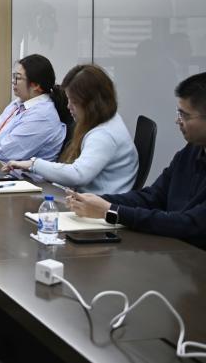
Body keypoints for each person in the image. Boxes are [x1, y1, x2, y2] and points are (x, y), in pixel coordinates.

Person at [68, 72, 206, 249]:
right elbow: (152, 197)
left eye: (185, 116)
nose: (177, 121)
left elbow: (189, 224)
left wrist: (111, 211)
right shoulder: (190, 152)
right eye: (178, 113)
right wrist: (97, 201)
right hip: (174, 249)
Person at [3, 64, 137, 194]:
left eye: (74, 101)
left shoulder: (104, 135)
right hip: (85, 197)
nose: (68, 106)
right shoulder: (105, 119)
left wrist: (33, 164)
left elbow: (78, 175)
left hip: (99, 203)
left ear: (91, 103)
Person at [0, 54, 69, 163]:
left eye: (18, 78)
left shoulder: (43, 116)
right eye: (14, 76)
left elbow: (2, 153)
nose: (13, 81)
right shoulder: (18, 102)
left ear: (36, 85)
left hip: (15, 172)